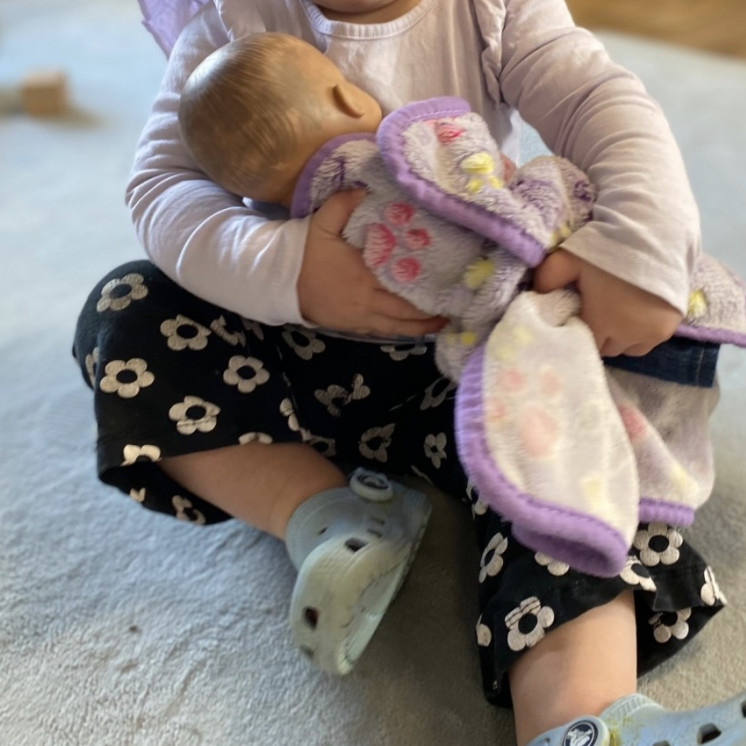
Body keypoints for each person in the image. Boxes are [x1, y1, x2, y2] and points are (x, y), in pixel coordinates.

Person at [72, 2, 746, 745]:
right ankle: (325, 512)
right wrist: (292, 270)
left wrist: (639, 247)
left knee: (589, 478)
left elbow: (597, 99)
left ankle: (581, 723)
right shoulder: (229, 21)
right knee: (128, 310)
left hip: (482, 359)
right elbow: (162, 188)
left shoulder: (494, 11)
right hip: (290, 361)